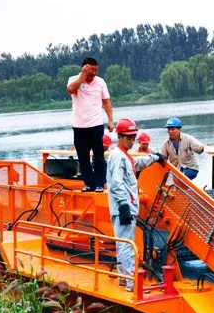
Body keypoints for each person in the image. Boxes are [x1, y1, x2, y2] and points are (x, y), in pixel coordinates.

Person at [107, 118, 166, 291]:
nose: (132, 140)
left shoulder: (124, 155)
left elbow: (136, 164)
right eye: (128, 137)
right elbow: (117, 183)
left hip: (125, 207)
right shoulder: (118, 157)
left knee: (123, 243)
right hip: (123, 209)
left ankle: (123, 278)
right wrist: (124, 206)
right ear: (119, 136)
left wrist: (154, 158)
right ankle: (132, 282)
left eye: (133, 137)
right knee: (126, 244)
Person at [67, 57, 114, 192]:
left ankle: (99, 183)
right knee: (83, 156)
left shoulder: (100, 82)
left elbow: (106, 102)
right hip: (79, 125)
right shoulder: (73, 79)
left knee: (99, 155)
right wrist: (82, 76)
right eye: (90, 69)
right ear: (83, 68)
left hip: (96, 124)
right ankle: (88, 183)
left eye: (95, 70)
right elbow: (70, 90)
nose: (93, 73)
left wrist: (110, 120)